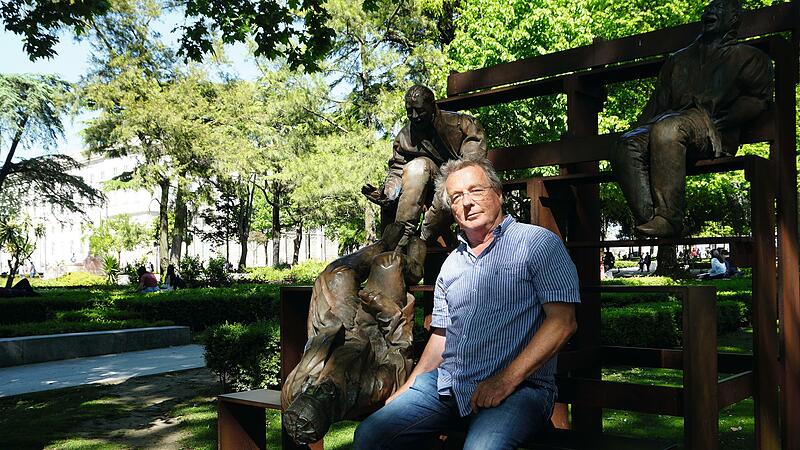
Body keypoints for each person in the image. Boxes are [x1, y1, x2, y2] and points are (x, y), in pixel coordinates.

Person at [354, 158, 580, 449]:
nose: (467, 203)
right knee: (371, 435)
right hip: (448, 387)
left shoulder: (537, 244)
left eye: (476, 191)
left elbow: (563, 323)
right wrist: (409, 386)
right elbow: (441, 336)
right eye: (457, 197)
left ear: (498, 194)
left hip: (521, 389)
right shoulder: (452, 264)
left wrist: (505, 380)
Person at [610, 0, 772, 237]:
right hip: (670, 124)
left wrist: (719, 123)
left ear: (734, 20)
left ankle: (669, 217)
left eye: (718, 9)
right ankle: (654, 221)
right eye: (707, 9)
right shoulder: (678, 59)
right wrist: (637, 133)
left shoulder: (748, 57)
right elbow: (657, 104)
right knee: (625, 144)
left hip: (711, 128)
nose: (709, 12)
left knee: (667, 129)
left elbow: (758, 100)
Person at [362, 85, 487, 245]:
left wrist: (450, 182)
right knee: (417, 167)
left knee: (449, 188)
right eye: (409, 111)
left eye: (420, 110)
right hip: (425, 185)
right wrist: (387, 193)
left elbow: (470, 166)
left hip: (458, 181)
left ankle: (421, 239)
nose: (414, 116)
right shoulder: (404, 137)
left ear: (432, 106)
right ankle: (401, 236)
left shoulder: (462, 125)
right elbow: (397, 169)